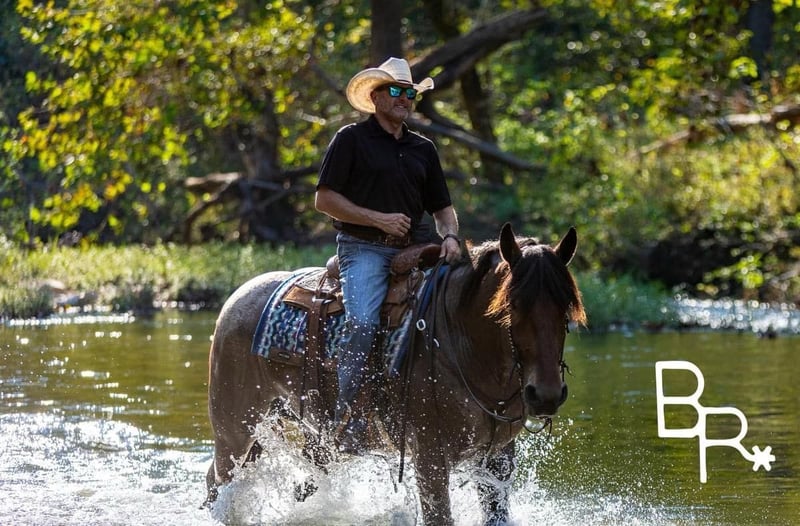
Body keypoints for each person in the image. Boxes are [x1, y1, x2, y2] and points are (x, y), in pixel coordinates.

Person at [315, 57, 461, 452]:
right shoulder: (350, 139)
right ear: (375, 96)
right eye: (395, 91)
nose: (404, 98)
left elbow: (443, 209)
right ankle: (347, 420)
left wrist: (451, 237)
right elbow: (324, 199)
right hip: (363, 248)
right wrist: (377, 219)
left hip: (419, 248)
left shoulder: (423, 148)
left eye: (409, 93)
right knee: (363, 322)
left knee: (459, 308)